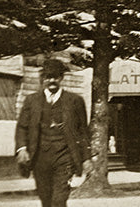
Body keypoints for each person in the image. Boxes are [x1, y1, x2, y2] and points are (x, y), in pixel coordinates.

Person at [15, 58, 89, 207]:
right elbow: (22, 127)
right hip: (40, 158)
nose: (52, 80)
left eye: (55, 76)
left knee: (59, 199)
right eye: (48, 77)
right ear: (43, 78)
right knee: (45, 199)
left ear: (61, 78)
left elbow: (82, 132)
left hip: (65, 157)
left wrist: (86, 157)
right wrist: (22, 148)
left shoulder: (75, 100)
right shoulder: (32, 100)